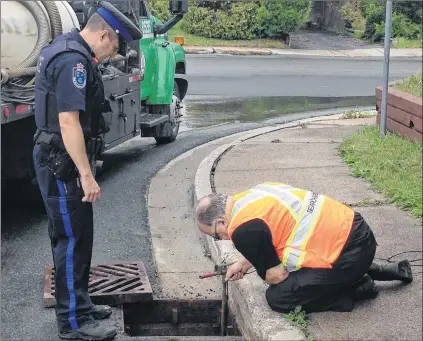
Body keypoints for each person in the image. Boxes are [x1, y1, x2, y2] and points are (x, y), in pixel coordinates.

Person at [33, 2, 142, 340]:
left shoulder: (70, 49)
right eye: (115, 46)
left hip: (62, 163)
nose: (113, 55)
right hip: (62, 166)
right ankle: (73, 325)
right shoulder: (72, 61)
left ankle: (81, 304)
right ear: (104, 33)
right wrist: (86, 173)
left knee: (79, 237)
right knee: (69, 239)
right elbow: (68, 121)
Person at [195, 182, 413, 314]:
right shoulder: (255, 194)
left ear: (221, 222)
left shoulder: (241, 231)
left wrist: (261, 264)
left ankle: (356, 290)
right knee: (306, 267)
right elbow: (271, 234)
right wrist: (244, 262)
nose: (222, 239)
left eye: (216, 235)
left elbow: (277, 276)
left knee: (278, 297)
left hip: (348, 255)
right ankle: (381, 270)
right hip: (358, 232)